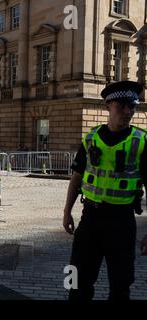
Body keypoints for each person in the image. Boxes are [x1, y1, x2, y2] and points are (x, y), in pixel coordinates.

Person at [63, 81, 147, 300]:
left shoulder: (141, 141)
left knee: (121, 284)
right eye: (122, 106)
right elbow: (77, 177)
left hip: (122, 221)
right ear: (108, 106)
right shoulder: (91, 138)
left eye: (132, 106)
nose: (128, 111)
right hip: (90, 218)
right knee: (75, 277)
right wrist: (66, 212)